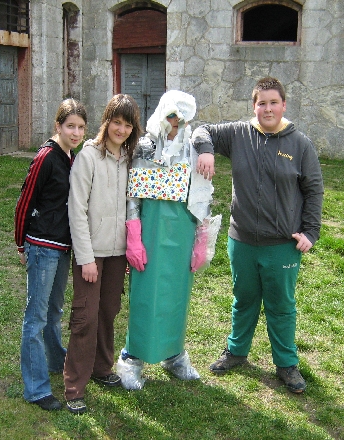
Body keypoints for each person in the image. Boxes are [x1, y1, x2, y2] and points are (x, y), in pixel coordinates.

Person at [191, 77, 324, 394]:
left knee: (281, 306)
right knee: (244, 299)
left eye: (273, 102)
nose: (268, 109)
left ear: (283, 105)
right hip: (243, 241)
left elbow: (314, 189)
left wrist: (311, 231)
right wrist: (206, 151)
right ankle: (236, 352)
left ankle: (287, 364)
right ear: (254, 106)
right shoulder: (239, 134)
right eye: (261, 103)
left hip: (282, 244)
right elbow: (201, 130)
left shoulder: (299, 144)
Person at [117, 90, 216, 390]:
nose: (175, 122)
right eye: (171, 115)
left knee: (177, 295)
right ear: (162, 113)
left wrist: (201, 240)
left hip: (182, 231)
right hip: (150, 230)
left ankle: (174, 354)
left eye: (181, 117)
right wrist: (134, 237)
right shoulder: (144, 147)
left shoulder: (194, 150)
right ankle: (132, 358)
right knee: (146, 296)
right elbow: (132, 195)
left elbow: (202, 194)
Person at [63, 94, 142, 414]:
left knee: (108, 311)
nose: (121, 130)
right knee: (86, 317)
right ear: (107, 121)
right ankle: (74, 386)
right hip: (91, 253)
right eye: (116, 122)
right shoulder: (88, 157)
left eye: (127, 125)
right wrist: (85, 258)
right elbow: (76, 210)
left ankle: (101, 367)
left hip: (117, 254)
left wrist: (128, 249)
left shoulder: (130, 159)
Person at [14, 99, 87, 411]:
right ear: (58, 126)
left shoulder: (72, 157)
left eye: (81, 127)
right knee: (36, 317)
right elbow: (24, 201)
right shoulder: (46, 157)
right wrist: (21, 244)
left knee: (54, 311)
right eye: (70, 126)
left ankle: (56, 361)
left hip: (61, 248)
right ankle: (36, 389)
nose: (76, 132)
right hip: (42, 246)